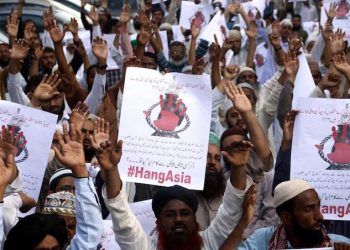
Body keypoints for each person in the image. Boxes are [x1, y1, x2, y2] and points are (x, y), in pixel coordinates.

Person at [96, 130, 254, 249]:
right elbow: (121, 215)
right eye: (170, 214)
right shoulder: (145, 246)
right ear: (158, 222)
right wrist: (111, 170)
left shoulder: (207, 243)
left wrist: (238, 167)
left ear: (195, 219)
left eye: (185, 213)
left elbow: (231, 209)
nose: (179, 219)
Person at [236, 179, 350, 249]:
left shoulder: (339, 244)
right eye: (308, 209)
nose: (319, 216)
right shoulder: (263, 240)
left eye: (318, 206)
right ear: (286, 217)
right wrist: (243, 222)